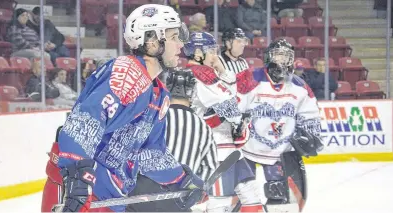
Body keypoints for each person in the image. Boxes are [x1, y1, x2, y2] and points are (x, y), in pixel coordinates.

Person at [40, 4, 206, 213]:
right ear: (152, 41)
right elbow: (85, 123)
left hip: (110, 196)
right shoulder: (127, 73)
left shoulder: (159, 94)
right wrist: (78, 178)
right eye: (174, 37)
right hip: (79, 193)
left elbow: (150, 152)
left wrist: (181, 178)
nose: (180, 45)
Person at [235, 38, 323, 212]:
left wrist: (311, 134)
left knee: (279, 198)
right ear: (269, 58)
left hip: (279, 151)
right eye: (278, 56)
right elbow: (234, 105)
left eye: (286, 57)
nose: (282, 61)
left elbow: (311, 114)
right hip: (246, 149)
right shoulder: (250, 78)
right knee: (242, 195)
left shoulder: (299, 85)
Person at [126, 68, 218, 212]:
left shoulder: (153, 115)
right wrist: (196, 189)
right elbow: (209, 167)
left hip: (143, 197)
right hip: (180, 200)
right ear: (192, 93)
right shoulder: (203, 126)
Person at [183, 32, 252, 212]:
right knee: (221, 202)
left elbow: (229, 96)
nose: (216, 56)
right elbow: (228, 103)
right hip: (217, 149)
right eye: (211, 51)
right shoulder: (199, 73)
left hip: (224, 147)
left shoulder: (201, 72)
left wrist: (223, 71)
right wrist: (239, 120)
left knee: (250, 197)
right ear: (198, 53)